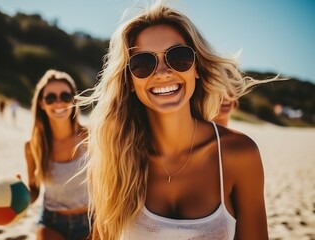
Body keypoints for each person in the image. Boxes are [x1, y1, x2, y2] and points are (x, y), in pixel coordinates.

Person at [77, 1, 280, 239]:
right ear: (130, 81)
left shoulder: (239, 154)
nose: (163, 72)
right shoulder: (116, 156)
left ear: (196, 67)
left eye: (179, 57)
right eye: (143, 64)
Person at [25, 69, 90, 240]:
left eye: (65, 96)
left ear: (73, 100)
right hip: (52, 222)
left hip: (92, 220)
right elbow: (34, 189)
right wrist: (21, 195)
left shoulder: (90, 137)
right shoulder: (33, 146)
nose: (59, 103)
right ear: (41, 103)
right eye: (51, 98)